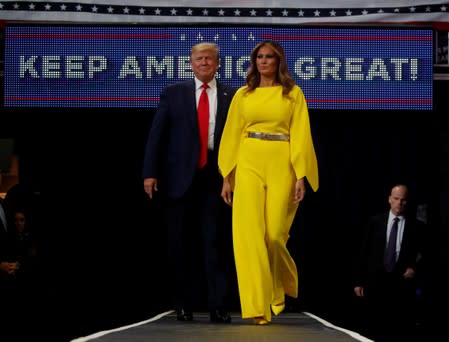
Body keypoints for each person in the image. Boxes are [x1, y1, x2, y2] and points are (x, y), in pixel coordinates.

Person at [218, 40, 319, 325]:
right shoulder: (243, 94)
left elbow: (300, 134)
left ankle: (280, 284)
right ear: (254, 61)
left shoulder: (293, 94)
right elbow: (232, 134)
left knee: (274, 236)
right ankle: (257, 307)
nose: (264, 61)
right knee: (248, 238)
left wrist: (301, 175)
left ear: (279, 61)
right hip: (248, 160)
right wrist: (228, 175)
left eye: (269, 57)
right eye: (259, 57)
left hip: (281, 161)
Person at [142, 42, 236, 323]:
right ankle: (182, 304)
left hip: (216, 178)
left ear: (219, 63)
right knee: (180, 243)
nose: (204, 63)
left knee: (214, 243)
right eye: (199, 59)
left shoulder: (233, 95)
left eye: (210, 59)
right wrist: (150, 172)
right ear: (191, 63)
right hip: (179, 178)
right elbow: (157, 135)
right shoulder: (174, 92)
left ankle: (218, 306)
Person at [353, 184, 424, 341]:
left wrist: (414, 268)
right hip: (375, 282)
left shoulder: (417, 226)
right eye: (397, 199)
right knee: (372, 327)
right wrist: (358, 281)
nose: (400, 203)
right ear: (390, 200)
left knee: (398, 328)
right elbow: (363, 252)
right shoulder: (375, 222)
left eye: (403, 200)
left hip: (401, 283)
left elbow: (425, 253)